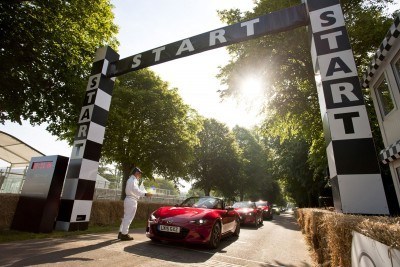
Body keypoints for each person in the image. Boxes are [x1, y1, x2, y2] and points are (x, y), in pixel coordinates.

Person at [118, 167, 151, 241]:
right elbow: (135, 190)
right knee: (128, 218)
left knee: (126, 217)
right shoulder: (133, 180)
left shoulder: (132, 180)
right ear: (136, 173)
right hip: (131, 200)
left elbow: (138, 189)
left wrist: (145, 193)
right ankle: (124, 234)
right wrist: (145, 194)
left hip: (129, 199)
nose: (140, 175)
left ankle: (121, 232)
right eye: (139, 173)